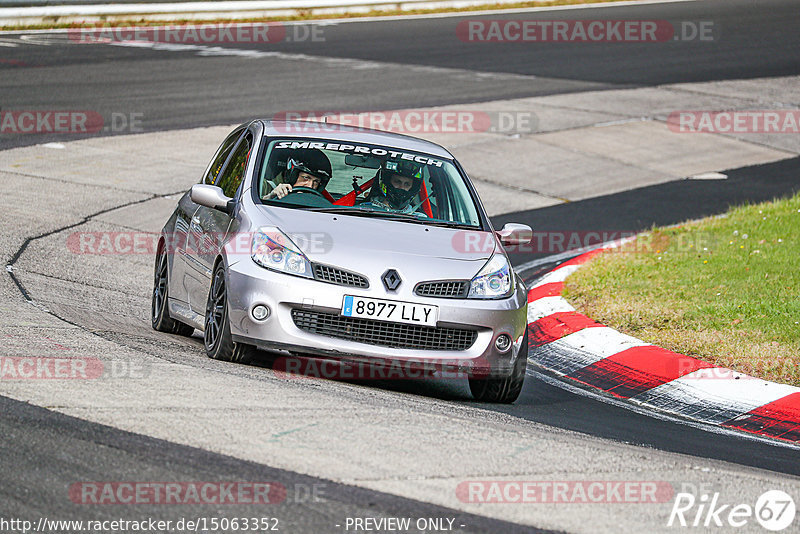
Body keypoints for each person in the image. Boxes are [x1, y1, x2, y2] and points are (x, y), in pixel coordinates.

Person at [361, 159, 426, 214]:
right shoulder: (361, 210)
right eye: (397, 182)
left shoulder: (421, 218)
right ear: (387, 182)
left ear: (412, 187)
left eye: (407, 184)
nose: (401, 187)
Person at [265, 148, 332, 199]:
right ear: (292, 175)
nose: (310, 186)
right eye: (306, 177)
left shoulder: (321, 196)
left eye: (316, 181)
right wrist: (271, 196)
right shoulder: (264, 186)